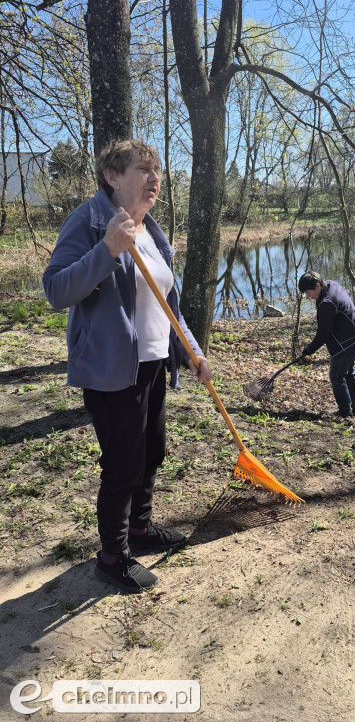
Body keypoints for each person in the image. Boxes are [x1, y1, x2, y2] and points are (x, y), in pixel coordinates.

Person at [43, 138, 211, 594]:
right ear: (112, 177)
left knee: (152, 451)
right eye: (143, 169)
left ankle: (140, 529)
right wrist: (108, 249)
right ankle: (112, 557)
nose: (155, 178)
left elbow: (168, 304)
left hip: (153, 363)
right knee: (123, 465)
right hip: (111, 369)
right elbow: (56, 290)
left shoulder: (151, 230)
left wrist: (191, 350)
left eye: (157, 171)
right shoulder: (90, 220)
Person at [298, 271, 355, 418]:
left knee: (336, 376)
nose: (308, 296)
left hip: (347, 341)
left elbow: (323, 333)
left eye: (308, 292)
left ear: (317, 286)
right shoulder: (331, 284)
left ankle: (345, 412)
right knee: (348, 372)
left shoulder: (326, 303)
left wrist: (309, 349)